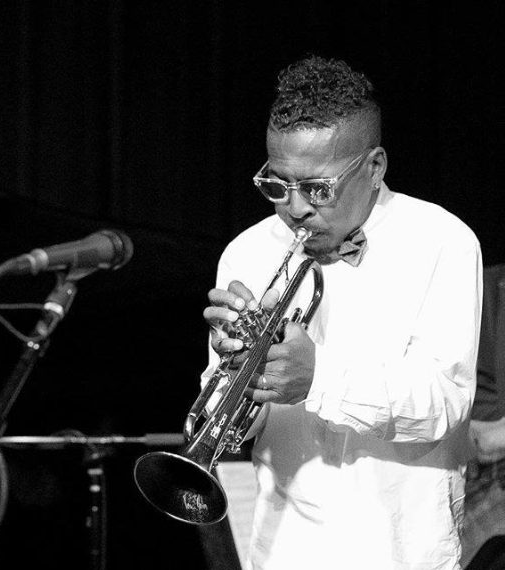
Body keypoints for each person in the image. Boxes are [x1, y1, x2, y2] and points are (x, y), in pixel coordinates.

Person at [202, 55, 482, 570]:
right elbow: (236, 426)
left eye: (318, 189)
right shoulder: (246, 252)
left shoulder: (443, 242)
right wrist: (237, 372)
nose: (295, 209)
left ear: (374, 168)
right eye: (278, 184)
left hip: (400, 551)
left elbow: (443, 404)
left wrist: (319, 377)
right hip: (283, 550)